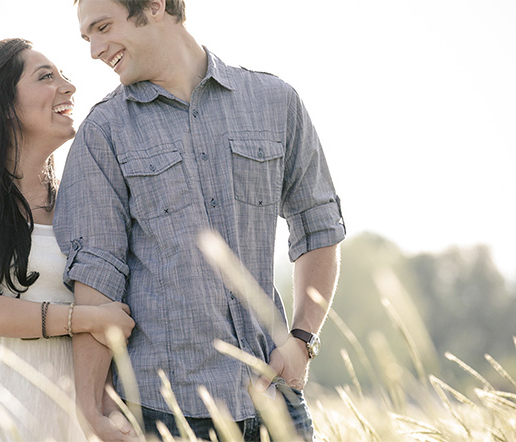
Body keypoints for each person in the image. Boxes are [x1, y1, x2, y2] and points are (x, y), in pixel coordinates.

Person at [54, 0, 346, 440]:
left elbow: (318, 223)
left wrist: (303, 340)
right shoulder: (104, 131)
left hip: (276, 402)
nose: (94, 49)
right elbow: (97, 277)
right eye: (87, 36)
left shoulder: (274, 101)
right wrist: (90, 407)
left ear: (154, 6)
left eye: (102, 27)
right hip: (162, 413)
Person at [0, 38, 135, 441]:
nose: (68, 87)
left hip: (78, 391)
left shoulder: (84, 202)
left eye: (63, 76)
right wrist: (92, 319)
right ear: (0, 104)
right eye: (46, 77)